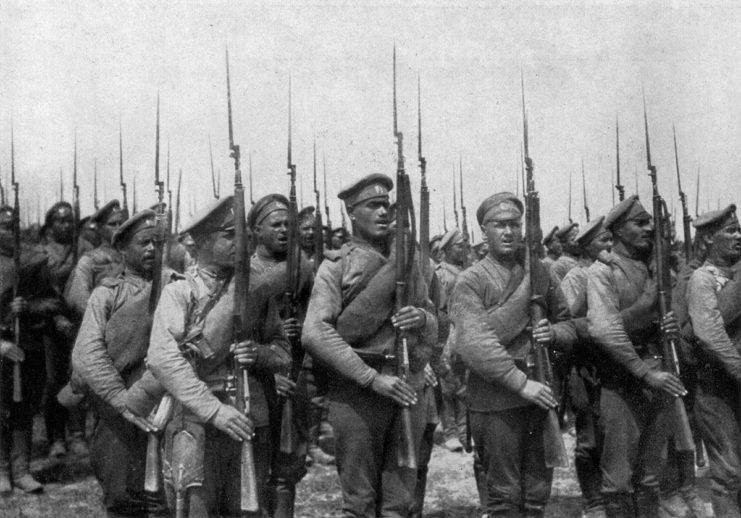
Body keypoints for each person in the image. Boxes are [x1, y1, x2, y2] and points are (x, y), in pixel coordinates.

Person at [135, 195, 289, 517]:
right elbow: (163, 359)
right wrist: (215, 411)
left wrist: (259, 355)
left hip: (249, 417)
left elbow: (283, 351)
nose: (240, 243)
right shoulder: (180, 292)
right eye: (229, 235)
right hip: (195, 420)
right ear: (202, 241)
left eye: (242, 235)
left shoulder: (253, 291)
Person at [302, 173, 438, 517]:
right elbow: (316, 333)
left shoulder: (408, 260)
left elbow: (437, 317)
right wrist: (371, 378)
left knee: (400, 501)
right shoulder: (336, 267)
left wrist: (421, 319)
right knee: (360, 502)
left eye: (386, 206)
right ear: (351, 212)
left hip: (407, 386)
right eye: (373, 206)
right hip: (359, 393)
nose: (383, 213)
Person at [450, 192, 574, 517]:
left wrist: (554, 333)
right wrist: (521, 384)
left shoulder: (541, 272)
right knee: (505, 497)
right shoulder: (471, 281)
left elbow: (568, 322)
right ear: (483, 231)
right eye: (499, 225)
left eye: (515, 225)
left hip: (540, 393)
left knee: (536, 494)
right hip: (495, 401)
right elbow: (476, 345)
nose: (508, 232)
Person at [587, 195, 685, 517]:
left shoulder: (653, 268)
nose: (649, 228)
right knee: (618, 479)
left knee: (651, 477)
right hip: (622, 380)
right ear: (617, 230)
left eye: (650, 222)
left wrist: (666, 326)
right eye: (640, 222)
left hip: (659, 376)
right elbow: (605, 331)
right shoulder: (603, 272)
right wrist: (645, 372)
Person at [71, 209, 168, 517]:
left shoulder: (176, 287)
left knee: (168, 495)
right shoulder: (107, 295)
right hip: (118, 408)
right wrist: (122, 400)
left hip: (168, 403)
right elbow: (87, 353)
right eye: (143, 243)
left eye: (157, 242)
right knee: (123, 494)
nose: (152, 249)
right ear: (123, 250)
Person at [248, 194, 314, 517]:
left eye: (289, 224)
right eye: (276, 224)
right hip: (259, 382)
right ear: (257, 230)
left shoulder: (302, 269)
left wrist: (297, 328)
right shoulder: (245, 273)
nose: (285, 230)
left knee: (287, 470)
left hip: (295, 376)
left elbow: (317, 318)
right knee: (257, 471)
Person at [0, 205, 66, 493]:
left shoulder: (34, 262)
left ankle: (21, 470)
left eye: (14, 227)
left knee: (22, 410)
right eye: (3, 226)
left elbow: (54, 303)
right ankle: (2, 472)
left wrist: (28, 308)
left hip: (28, 348)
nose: (9, 232)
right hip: (1, 348)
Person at [687, 204, 741, 517]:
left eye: (739, 229)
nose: (738, 236)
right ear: (708, 239)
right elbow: (709, 334)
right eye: (730, 230)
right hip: (716, 389)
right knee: (728, 474)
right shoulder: (702, 280)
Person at [558, 216, 612, 518]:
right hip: (585, 366)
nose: (610, 247)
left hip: (611, 365)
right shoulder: (577, 277)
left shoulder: (612, 273)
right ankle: (593, 502)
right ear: (588, 247)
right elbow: (567, 324)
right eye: (604, 241)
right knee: (589, 438)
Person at [38, 201, 78, 459]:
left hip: (76, 322)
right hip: (51, 325)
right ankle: (56, 437)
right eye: (60, 220)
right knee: (53, 381)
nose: (66, 225)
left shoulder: (81, 249)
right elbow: (40, 290)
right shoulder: (40, 252)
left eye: (69, 220)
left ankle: (77, 434)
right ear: (50, 225)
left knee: (77, 377)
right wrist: (56, 318)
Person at [435, 228, 468, 453]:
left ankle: (465, 432)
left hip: (466, 333)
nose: (463, 250)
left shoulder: (466, 272)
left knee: (465, 385)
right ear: (445, 251)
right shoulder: (442, 274)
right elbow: (439, 310)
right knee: (447, 387)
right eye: (459, 246)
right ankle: (451, 432)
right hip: (447, 335)